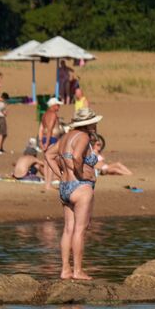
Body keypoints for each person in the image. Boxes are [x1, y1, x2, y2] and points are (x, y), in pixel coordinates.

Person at [49, 107, 103, 280]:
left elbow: (48, 155)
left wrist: (60, 175)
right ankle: (78, 271)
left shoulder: (65, 137)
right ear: (88, 124)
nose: (96, 123)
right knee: (80, 230)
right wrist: (80, 174)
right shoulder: (83, 136)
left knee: (68, 230)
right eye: (94, 121)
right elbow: (77, 157)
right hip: (80, 187)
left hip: (65, 187)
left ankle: (65, 270)